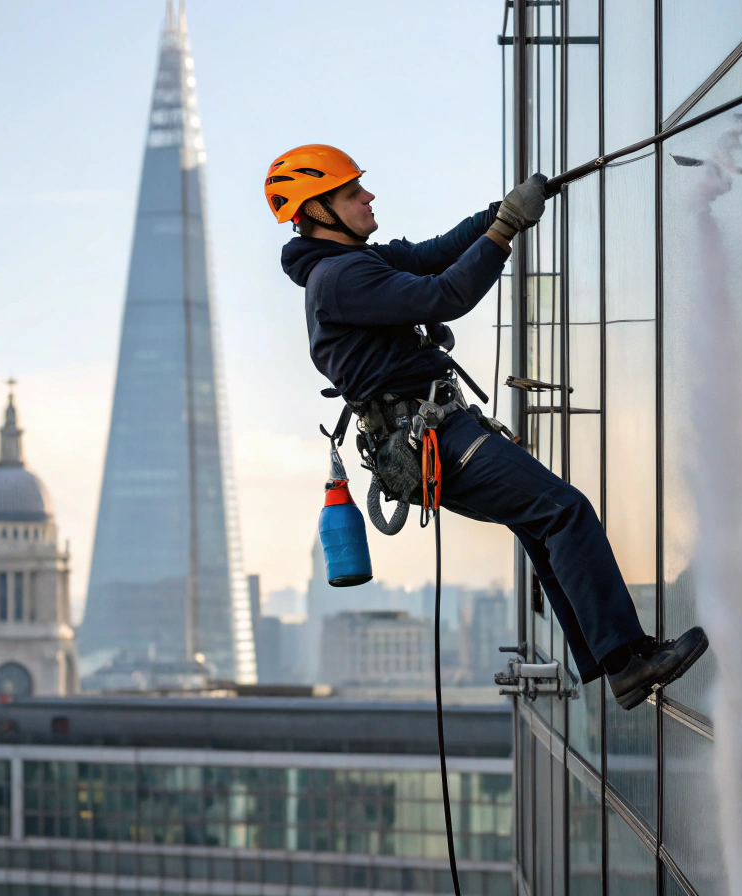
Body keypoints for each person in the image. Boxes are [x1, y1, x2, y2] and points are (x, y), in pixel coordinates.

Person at [269, 143, 708, 710]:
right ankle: (627, 661)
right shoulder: (339, 278)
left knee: (542, 525)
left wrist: (500, 213)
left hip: (432, 436)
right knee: (562, 511)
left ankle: (614, 659)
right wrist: (504, 229)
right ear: (319, 212)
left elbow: (431, 254)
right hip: (435, 439)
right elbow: (443, 294)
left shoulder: (355, 265)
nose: (368, 196)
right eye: (353, 192)